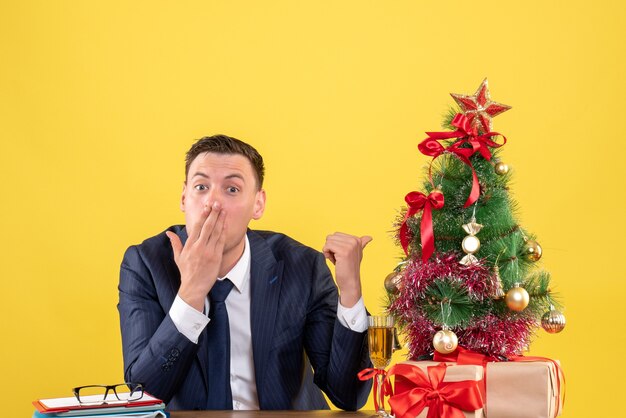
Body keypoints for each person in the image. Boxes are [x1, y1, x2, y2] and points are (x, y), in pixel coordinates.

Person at [118, 134, 373, 411]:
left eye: (232, 190)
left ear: (258, 204)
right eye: (201, 187)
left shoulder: (302, 267)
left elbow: (347, 395)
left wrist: (350, 293)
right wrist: (190, 293)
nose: (212, 203)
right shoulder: (145, 264)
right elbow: (143, 396)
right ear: (183, 198)